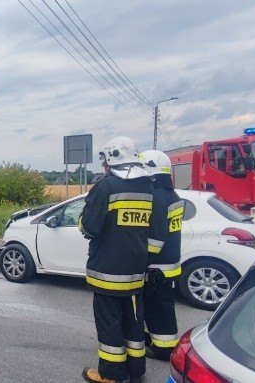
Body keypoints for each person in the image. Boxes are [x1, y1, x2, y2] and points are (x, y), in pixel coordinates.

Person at [79, 136, 153, 383]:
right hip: (135, 271)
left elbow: (90, 227)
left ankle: (110, 374)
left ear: (111, 159)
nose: (103, 166)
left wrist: (82, 222)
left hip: (108, 272)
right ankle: (136, 369)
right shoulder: (147, 187)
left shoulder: (106, 187)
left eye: (104, 161)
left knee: (109, 323)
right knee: (133, 322)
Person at [140, 150, 184, 362]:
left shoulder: (155, 197)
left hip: (156, 266)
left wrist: (138, 258)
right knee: (162, 306)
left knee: (159, 309)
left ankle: (164, 349)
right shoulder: (171, 195)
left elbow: (155, 240)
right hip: (169, 263)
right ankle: (159, 341)